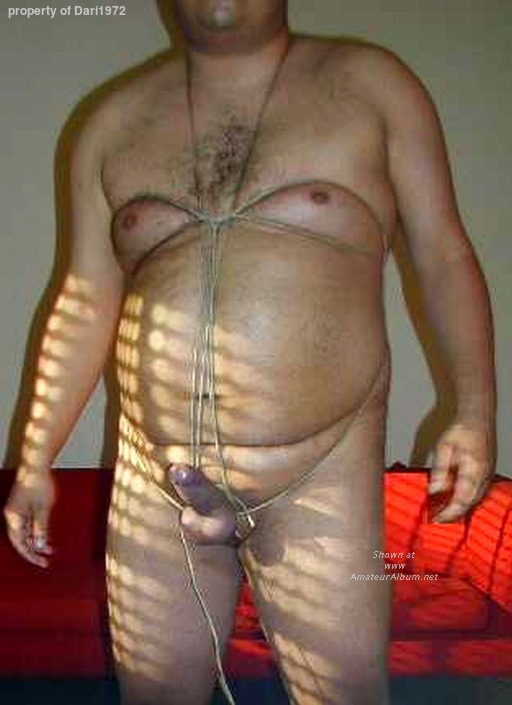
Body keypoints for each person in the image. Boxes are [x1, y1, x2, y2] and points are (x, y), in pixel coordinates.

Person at [4, 1, 497, 704]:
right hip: (155, 475)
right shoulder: (109, 123)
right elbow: (83, 298)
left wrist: (475, 411)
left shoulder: (373, 85)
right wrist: (35, 457)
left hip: (321, 474)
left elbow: (444, 252)